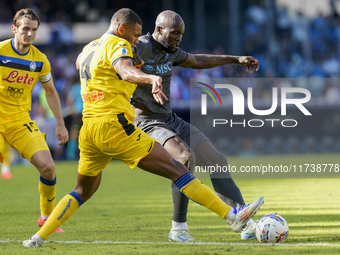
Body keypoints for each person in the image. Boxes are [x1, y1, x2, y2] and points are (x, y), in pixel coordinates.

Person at [23, 8, 264, 248]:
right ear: (125, 30)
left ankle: (38, 237)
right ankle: (211, 221)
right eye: (134, 35)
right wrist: (148, 77)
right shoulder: (127, 46)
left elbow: (80, 63)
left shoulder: (92, 47)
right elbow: (125, 70)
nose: (135, 40)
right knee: (181, 164)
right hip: (129, 123)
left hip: (99, 127)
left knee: (81, 191)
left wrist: (236, 59)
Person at [130, 10, 260, 242]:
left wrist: (235, 59)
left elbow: (197, 60)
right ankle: (178, 229)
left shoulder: (170, 52)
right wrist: (129, 56)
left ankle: (245, 222)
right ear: (159, 30)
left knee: (217, 160)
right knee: (184, 157)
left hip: (169, 119)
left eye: (181, 34)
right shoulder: (142, 46)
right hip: (146, 122)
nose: (178, 38)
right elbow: (116, 57)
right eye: (174, 33)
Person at [0, 8, 69, 232]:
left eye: (33, 30)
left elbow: (50, 91)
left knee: (49, 167)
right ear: (14, 29)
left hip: (20, 121)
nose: (29, 34)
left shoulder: (40, 60)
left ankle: (46, 218)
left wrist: (60, 123)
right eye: (25, 29)